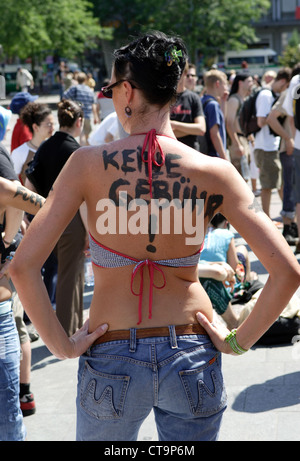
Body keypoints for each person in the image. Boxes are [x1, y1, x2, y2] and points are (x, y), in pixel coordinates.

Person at [9, 31, 300, 442]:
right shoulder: (213, 171)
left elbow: (22, 266)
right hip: (193, 350)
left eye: (110, 89)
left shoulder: (86, 166)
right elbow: (287, 271)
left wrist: (62, 345)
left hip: (110, 350)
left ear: (127, 90)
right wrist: (238, 341)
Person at [25, 100, 86, 336]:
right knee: (71, 276)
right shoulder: (77, 151)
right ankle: (68, 333)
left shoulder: (44, 146)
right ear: (78, 122)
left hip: (45, 217)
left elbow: (29, 185)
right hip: (72, 220)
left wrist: (33, 216)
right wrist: (91, 232)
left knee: (50, 274)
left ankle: (63, 329)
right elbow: (83, 198)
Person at [0, 178, 45, 441]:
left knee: (7, 421)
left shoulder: (3, 188)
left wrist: (18, 251)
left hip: (1, 321)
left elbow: (53, 210)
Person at [253, 68, 291, 217]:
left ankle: (288, 214)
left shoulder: (270, 94)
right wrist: (275, 117)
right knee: (268, 186)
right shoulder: (266, 95)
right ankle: (267, 219)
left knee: (279, 184)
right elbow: (261, 121)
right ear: (283, 82)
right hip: (265, 147)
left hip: (270, 146)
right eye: (286, 86)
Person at [267, 87, 298, 245]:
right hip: (291, 150)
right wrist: (288, 138)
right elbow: (271, 117)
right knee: (290, 189)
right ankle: (289, 227)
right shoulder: (291, 90)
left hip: (292, 149)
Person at [11, 102, 54, 184]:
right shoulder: (19, 152)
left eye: (53, 124)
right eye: (49, 124)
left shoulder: (54, 148)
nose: (53, 128)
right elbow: (13, 183)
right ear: (35, 127)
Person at [282, 66, 300, 254]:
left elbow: (290, 115)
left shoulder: (295, 81)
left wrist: (293, 139)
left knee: (299, 197)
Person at [170, 62, 205, 150]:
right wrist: (190, 129)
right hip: (170, 150)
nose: (176, 75)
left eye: (179, 72)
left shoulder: (193, 98)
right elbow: (162, 132)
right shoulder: (164, 99)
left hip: (191, 150)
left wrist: (175, 124)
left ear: (184, 73)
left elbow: (201, 129)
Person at [226, 72, 253, 180]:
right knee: (239, 178)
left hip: (244, 140)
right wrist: (237, 144)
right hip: (237, 140)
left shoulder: (243, 99)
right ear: (241, 83)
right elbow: (229, 123)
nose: (252, 83)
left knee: (245, 176)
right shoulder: (234, 100)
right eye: (249, 81)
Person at [63, 72, 99, 145]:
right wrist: (95, 117)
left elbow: (64, 97)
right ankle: (88, 152)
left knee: (81, 135)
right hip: (88, 116)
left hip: (78, 115)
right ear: (85, 80)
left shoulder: (74, 88)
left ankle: (82, 152)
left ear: (77, 79)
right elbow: (93, 104)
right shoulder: (89, 90)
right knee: (87, 136)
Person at [201, 69, 229, 159]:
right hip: (214, 155)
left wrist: (223, 102)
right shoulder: (213, 105)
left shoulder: (202, 100)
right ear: (217, 84)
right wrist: (224, 158)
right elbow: (215, 134)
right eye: (224, 84)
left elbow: (220, 122)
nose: (226, 88)